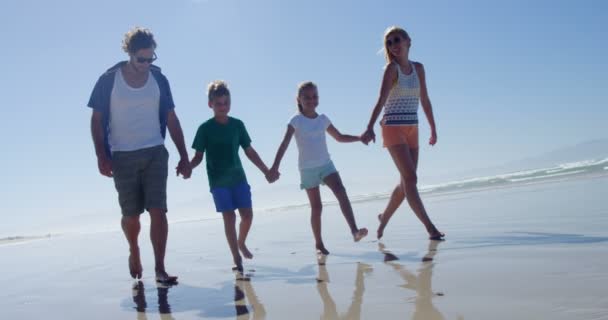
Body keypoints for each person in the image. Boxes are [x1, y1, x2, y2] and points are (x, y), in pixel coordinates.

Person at [88, 27, 191, 283]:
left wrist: (184, 156)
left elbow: (171, 118)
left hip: (155, 151)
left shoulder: (159, 78)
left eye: (150, 58)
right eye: (141, 59)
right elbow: (97, 119)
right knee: (131, 215)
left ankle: (160, 269)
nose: (146, 64)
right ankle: (134, 250)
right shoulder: (108, 79)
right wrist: (101, 154)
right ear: (130, 54)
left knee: (159, 210)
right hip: (122, 156)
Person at [362, 26, 444, 240]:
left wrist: (433, 128)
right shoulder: (391, 70)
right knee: (411, 178)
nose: (393, 45)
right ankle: (430, 228)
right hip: (392, 128)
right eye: (389, 43)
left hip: (412, 127)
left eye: (397, 40)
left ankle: (383, 218)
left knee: (406, 182)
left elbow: (425, 100)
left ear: (408, 41)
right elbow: (381, 100)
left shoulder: (419, 68)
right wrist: (370, 126)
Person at [269, 81, 368, 256]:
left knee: (341, 190)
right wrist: (275, 166)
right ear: (299, 99)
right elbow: (284, 143)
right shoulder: (296, 121)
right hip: (307, 170)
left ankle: (354, 231)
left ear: (318, 99)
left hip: (326, 164)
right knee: (317, 207)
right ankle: (319, 244)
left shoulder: (323, 119)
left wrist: (359, 138)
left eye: (314, 96)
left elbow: (339, 137)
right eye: (306, 97)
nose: (311, 100)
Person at [190, 80, 276, 273]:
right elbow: (197, 157)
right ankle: (236, 256)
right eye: (219, 104)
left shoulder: (237, 125)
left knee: (247, 216)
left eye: (226, 103)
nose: (223, 107)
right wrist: (188, 167)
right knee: (229, 218)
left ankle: (241, 242)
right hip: (218, 182)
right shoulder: (204, 128)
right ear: (210, 104)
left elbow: (249, 151)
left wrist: (266, 170)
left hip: (238, 178)